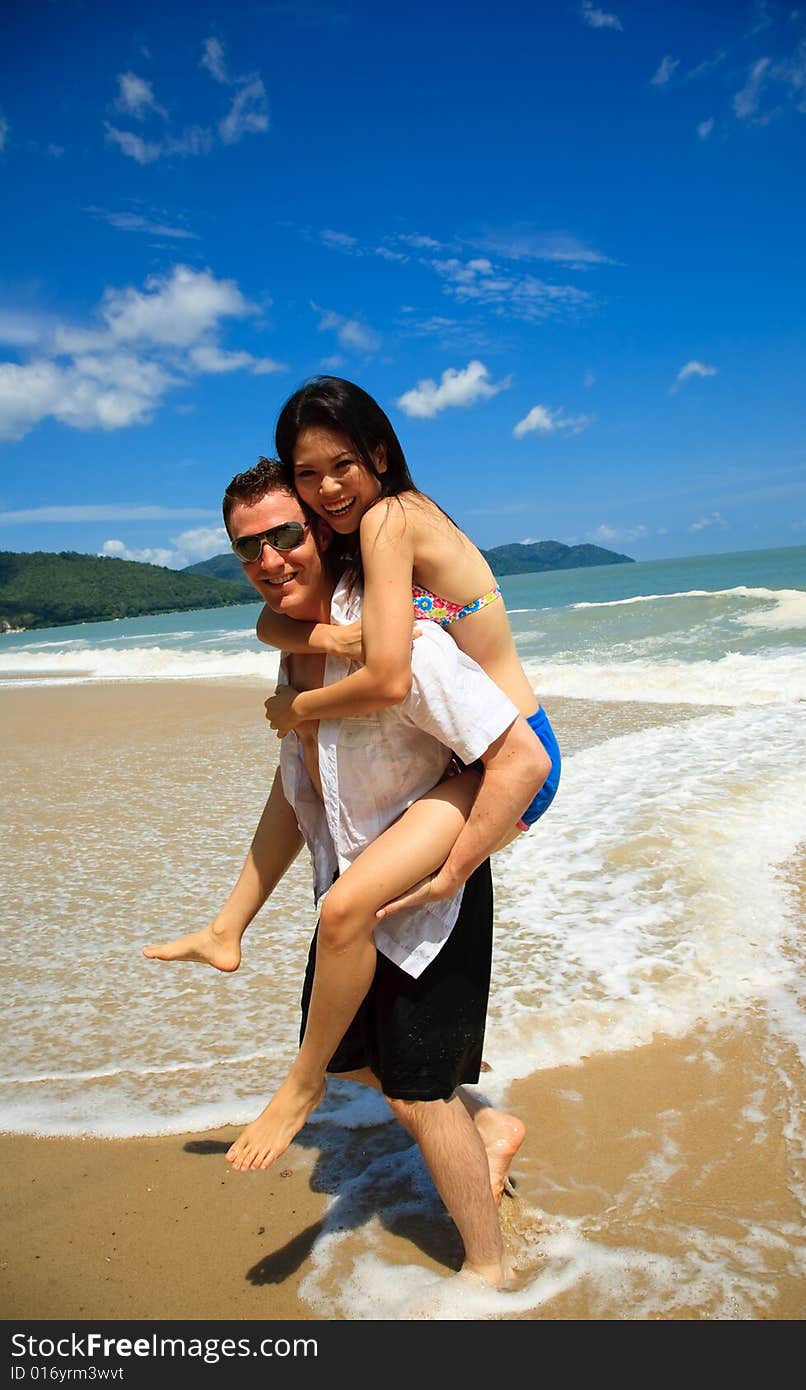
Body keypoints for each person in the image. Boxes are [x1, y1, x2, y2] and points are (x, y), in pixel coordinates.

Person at [144, 461, 549, 1286]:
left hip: (433, 886)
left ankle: (489, 1271)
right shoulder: (298, 654)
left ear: (322, 533)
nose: (270, 559)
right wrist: (233, 919)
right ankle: (492, 1133)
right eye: (248, 547)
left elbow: (522, 761)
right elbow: (298, 795)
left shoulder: (406, 641)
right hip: (356, 891)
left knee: (420, 1090)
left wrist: (455, 871)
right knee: (356, 1064)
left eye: (286, 535)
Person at [258, 375, 561, 922]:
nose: (327, 488)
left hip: (506, 763)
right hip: (476, 754)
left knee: (368, 919)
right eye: (307, 474)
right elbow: (271, 619)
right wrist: (331, 637)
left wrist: (298, 709)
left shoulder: (387, 520)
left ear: (378, 453)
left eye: (342, 465)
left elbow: (388, 679)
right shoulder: (389, 520)